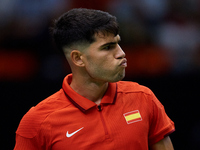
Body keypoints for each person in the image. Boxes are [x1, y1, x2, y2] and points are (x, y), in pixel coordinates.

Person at [14, 8, 175, 150]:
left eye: (118, 43)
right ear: (78, 59)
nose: (121, 53)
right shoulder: (37, 122)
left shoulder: (144, 98)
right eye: (107, 47)